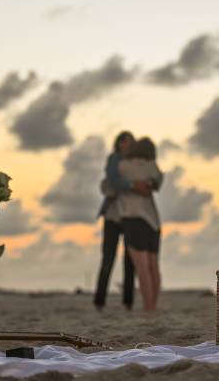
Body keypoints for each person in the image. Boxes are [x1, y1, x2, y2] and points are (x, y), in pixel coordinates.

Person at [94, 132, 152, 311]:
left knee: (131, 260)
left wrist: (132, 185)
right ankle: (100, 302)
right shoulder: (114, 158)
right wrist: (133, 185)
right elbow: (113, 180)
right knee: (108, 258)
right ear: (119, 143)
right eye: (128, 143)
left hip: (131, 216)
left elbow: (146, 183)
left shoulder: (137, 162)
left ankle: (128, 302)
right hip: (113, 215)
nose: (130, 146)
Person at [117, 137, 163, 311]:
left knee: (141, 267)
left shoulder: (123, 166)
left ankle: (147, 307)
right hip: (153, 221)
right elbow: (157, 182)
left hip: (133, 217)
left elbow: (113, 184)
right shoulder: (152, 165)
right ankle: (153, 306)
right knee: (153, 267)